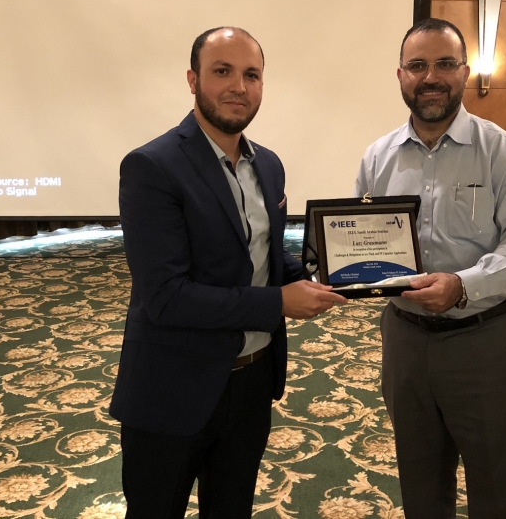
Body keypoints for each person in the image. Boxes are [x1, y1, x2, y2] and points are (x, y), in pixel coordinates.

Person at [110, 26, 345, 518]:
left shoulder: (269, 166)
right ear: (193, 80)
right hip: (171, 388)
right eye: (223, 71)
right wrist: (279, 302)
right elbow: (167, 296)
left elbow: (263, 257)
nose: (239, 86)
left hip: (252, 383)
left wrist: (325, 274)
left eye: (251, 75)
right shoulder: (152, 166)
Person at [355, 18, 506, 518]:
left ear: (464, 72)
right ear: (400, 75)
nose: (431, 77)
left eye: (444, 64)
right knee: (420, 484)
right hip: (405, 341)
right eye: (417, 66)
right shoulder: (377, 158)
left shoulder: (502, 151)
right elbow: (361, 241)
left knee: (497, 487)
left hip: (487, 343)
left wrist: (464, 285)